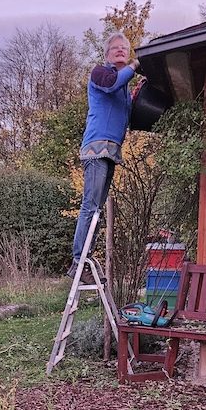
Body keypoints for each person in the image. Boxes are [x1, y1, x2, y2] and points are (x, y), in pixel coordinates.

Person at [67, 31, 140, 283]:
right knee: (90, 205)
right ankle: (78, 261)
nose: (121, 50)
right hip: (96, 149)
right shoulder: (100, 72)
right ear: (108, 54)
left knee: (97, 208)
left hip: (110, 152)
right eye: (116, 48)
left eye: (125, 48)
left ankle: (84, 260)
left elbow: (131, 114)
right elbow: (111, 83)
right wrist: (134, 66)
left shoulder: (124, 89)